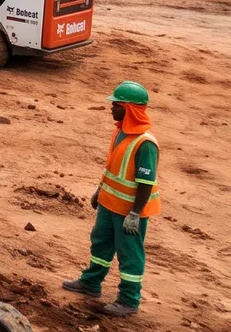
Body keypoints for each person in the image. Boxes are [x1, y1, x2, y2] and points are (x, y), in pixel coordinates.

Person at [62, 82, 160, 317]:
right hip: (109, 204)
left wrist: (135, 213)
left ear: (128, 108)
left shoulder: (145, 144)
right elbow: (112, 168)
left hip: (129, 211)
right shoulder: (120, 132)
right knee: (100, 243)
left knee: (130, 254)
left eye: (115, 104)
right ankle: (91, 283)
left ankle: (128, 300)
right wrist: (100, 192)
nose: (111, 108)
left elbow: (146, 182)